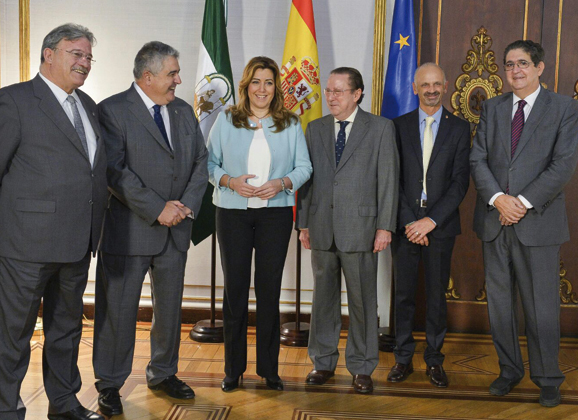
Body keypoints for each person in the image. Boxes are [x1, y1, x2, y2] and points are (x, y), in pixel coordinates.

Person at [93, 41, 208, 416]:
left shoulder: (183, 110)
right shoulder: (111, 110)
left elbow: (200, 162)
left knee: (170, 310)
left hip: (175, 231)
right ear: (148, 76)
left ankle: (163, 373)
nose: (178, 79)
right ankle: (109, 384)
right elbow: (114, 171)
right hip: (129, 231)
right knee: (118, 312)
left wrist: (184, 207)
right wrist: (158, 208)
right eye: (172, 73)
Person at [0, 23, 107, 420]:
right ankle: (6, 408)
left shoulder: (89, 105)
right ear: (48, 54)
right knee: (13, 335)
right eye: (75, 54)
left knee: (66, 333)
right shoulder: (14, 102)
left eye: (88, 57)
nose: (84, 63)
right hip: (24, 247)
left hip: (78, 243)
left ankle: (63, 404)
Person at [470, 40, 578, 407]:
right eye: (510, 64)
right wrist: (499, 199)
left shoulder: (564, 108)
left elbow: (563, 165)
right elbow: (478, 160)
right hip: (494, 219)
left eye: (523, 64)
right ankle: (509, 371)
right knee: (500, 305)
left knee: (541, 305)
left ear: (540, 68)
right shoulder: (492, 107)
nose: (515, 70)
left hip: (538, 222)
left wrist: (522, 203)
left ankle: (548, 378)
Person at [207, 56, 312, 393]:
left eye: (268, 82)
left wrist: (282, 183)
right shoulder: (226, 120)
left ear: (275, 87)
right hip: (233, 213)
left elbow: (305, 167)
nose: (262, 89)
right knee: (234, 292)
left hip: (275, 215)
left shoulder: (290, 122)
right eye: (256, 82)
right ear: (245, 86)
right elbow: (208, 164)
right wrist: (228, 180)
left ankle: (269, 370)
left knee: (269, 292)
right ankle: (232, 370)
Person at [296, 67, 399, 394]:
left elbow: (388, 181)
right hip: (322, 229)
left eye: (339, 91)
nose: (331, 97)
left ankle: (362, 366)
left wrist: (385, 226)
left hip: (363, 229)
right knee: (323, 301)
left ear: (357, 94)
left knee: (363, 302)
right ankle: (322, 362)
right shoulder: (314, 128)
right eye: (328, 91)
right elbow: (308, 181)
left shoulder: (381, 128)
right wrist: (303, 223)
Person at [387, 63, 470, 388]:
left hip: (440, 225)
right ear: (414, 88)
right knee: (404, 295)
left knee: (436, 297)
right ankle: (403, 359)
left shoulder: (460, 128)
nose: (431, 89)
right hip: (406, 224)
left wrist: (431, 221)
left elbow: (460, 181)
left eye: (437, 84)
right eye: (425, 84)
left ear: (446, 86)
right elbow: (391, 179)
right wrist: (411, 221)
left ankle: (435, 361)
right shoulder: (398, 126)